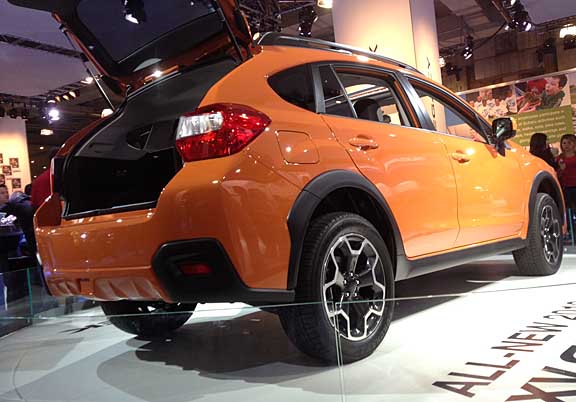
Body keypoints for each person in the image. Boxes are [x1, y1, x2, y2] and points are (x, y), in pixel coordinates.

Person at [557, 134, 576, 211]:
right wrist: (561, 169)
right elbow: (558, 174)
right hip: (566, 186)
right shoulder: (560, 158)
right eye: (564, 143)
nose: (566, 145)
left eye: (569, 143)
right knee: (569, 207)